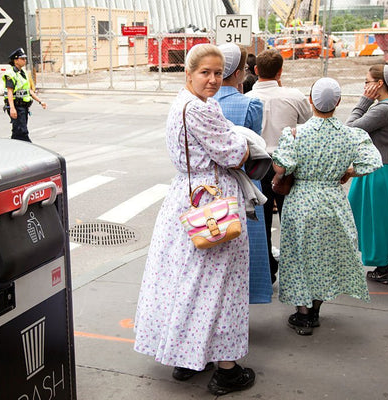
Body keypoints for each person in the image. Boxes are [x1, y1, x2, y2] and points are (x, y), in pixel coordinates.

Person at [134, 43, 255, 396]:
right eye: (206, 73)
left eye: (219, 73)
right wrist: (245, 145)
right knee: (220, 287)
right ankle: (227, 370)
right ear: (188, 74)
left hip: (186, 201)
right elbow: (233, 152)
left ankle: (187, 357)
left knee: (186, 283)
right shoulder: (199, 110)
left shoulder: (188, 104)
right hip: (212, 205)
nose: (214, 80)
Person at [272, 78, 382, 335]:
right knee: (325, 256)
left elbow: (282, 166)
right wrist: (349, 170)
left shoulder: (296, 133)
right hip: (333, 201)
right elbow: (373, 162)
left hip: (301, 202)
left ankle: (303, 313)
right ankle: (316, 309)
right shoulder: (352, 135)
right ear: (339, 102)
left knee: (299, 255)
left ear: (310, 100)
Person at [246, 49, 312, 284]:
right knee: (291, 220)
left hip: (259, 165)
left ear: (255, 71)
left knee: (261, 222)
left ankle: (268, 269)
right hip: (288, 166)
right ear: (280, 71)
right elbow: (307, 126)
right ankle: (296, 270)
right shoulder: (294, 96)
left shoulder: (248, 98)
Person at [213, 43, 272, 305]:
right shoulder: (251, 104)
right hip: (244, 184)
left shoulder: (201, 103)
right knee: (245, 246)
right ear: (240, 72)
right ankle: (243, 302)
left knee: (214, 244)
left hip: (211, 185)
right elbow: (254, 145)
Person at [346, 65, 388, 284]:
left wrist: (363, 103)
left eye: (367, 82)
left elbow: (349, 130)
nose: (364, 86)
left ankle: (382, 266)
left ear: (379, 84)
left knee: (376, 219)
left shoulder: (382, 110)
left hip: (376, 169)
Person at [2, 47, 47, 142]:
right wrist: (12, 108)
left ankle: (13, 148)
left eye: (25, 58)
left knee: (17, 132)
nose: (25, 60)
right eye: (22, 59)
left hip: (23, 107)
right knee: (22, 131)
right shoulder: (11, 74)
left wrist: (40, 101)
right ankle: (29, 148)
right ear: (16, 60)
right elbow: (10, 92)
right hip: (16, 106)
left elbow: (28, 90)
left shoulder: (23, 73)